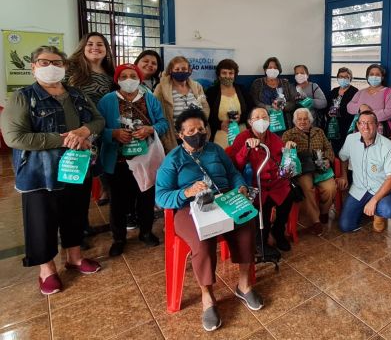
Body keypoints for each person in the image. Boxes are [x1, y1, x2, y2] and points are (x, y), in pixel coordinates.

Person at [1, 46, 104, 295]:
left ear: (65, 66)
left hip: (75, 166)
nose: (51, 67)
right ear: (33, 66)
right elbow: (14, 137)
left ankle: (75, 258)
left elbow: (98, 120)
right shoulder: (23, 97)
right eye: (44, 62)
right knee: (41, 220)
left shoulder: (76, 94)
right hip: (39, 172)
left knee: (76, 213)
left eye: (57, 62)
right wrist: (64, 139)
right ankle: (46, 269)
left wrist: (83, 131)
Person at [156, 108, 263, 331]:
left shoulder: (215, 150)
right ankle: (207, 296)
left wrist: (239, 186)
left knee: (246, 222)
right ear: (180, 134)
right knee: (203, 240)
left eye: (201, 129)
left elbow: (233, 172)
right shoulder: (172, 160)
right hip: (190, 208)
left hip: (224, 199)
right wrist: (185, 193)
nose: (198, 134)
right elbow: (161, 196)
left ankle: (243, 284)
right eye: (191, 130)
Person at [97, 64, 169, 257]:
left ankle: (146, 232)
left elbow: (163, 123)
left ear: (139, 79)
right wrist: (113, 133)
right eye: (124, 76)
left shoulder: (150, 99)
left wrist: (150, 129)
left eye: (132, 75)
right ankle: (119, 238)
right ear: (117, 80)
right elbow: (96, 128)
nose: (128, 79)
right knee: (118, 202)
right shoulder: (107, 101)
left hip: (146, 160)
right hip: (118, 161)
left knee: (145, 198)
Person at [230, 107, 294, 252]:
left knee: (288, 197)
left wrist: (289, 150)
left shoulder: (275, 138)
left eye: (264, 117)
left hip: (276, 185)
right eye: (257, 118)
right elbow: (235, 165)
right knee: (262, 215)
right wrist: (246, 147)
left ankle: (278, 232)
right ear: (249, 122)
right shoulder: (242, 138)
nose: (261, 121)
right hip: (256, 186)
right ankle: (262, 241)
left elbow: (282, 161)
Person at [65, 32, 117, 210]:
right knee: (76, 176)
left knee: (101, 160)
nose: (95, 47)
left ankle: (106, 190)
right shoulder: (71, 68)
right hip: (75, 125)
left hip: (101, 124)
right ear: (83, 47)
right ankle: (78, 223)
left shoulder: (110, 73)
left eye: (100, 44)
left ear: (106, 49)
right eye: (90, 44)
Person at [337, 110, 391, 233]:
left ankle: (378, 215)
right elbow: (343, 157)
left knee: (387, 210)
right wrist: (343, 175)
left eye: (369, 123)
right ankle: (364, 209)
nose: (365, 127)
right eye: (362, 123)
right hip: (358, 189)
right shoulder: (351, 139)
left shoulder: (387, 146)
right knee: (345, 226)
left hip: (379, 189)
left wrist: (374, 200)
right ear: (358, 125)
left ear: (377, 125)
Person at [282, 108, 337, 236]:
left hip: (320, 166)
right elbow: (284, 157)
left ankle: (324, 211)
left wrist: (328, 160)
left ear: (310, 120)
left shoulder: (319, 131)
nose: (302, 122)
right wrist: (288, 147)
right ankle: (316, 221)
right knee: (307, 188)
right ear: (295, 121)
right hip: (302, 170)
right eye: (299, 119)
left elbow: (329, 148)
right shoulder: (289, 134)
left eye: (305, 119)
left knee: (330, 188)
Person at [154, 56, 210, 152]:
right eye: (177, 69)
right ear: (171, 70)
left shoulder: (197, 86)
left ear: (189, 70)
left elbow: (205, 106)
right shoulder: (161, 88)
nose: (181, 71)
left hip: (197, 136)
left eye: (184, 69)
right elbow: (156, 111)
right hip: (175, 138)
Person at [205, 59, 253, 148]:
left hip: (241, 133)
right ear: (219, 75)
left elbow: (252, 110)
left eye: (231, 73)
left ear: (235, 75)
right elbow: (207, 115)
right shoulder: (212, 92)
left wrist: (241, 118)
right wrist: (220, 124)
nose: (227, 76)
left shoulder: (242, 90)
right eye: (224, 73)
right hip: (220, 136)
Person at [346, 64, 391, 137]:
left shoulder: (389, 92)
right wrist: (360, 107)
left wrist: (369, 115)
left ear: (382, 77)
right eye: (371, 74)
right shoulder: (361, 92)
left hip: (378, 131)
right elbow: (349, 106)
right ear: (367, 77)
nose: (374, 76)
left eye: (377, 74)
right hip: (359, 130)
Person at [249, 57, 297, 131]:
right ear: (265, 69)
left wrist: (282, 106)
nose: (273, 70)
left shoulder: (286, 83)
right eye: (270, 67)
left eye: (275, 68)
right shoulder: (257, 83)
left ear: (279, 70)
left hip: (284, 122)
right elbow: (255, 101)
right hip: (263, 122)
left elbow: (293, 102)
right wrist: (269, 108)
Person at [326, 67, 359, 155]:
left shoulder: (355, 92)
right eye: (341, 76)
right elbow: (327, 106)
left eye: (346, 77)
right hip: (332, 125)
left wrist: (339, 113)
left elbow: (355, 110)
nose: (343, 79)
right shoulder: (334, 91)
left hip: (346, 126)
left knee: (345, 151)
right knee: (333, 149)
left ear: (350, 78)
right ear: (337, 78)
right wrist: (329, 113)